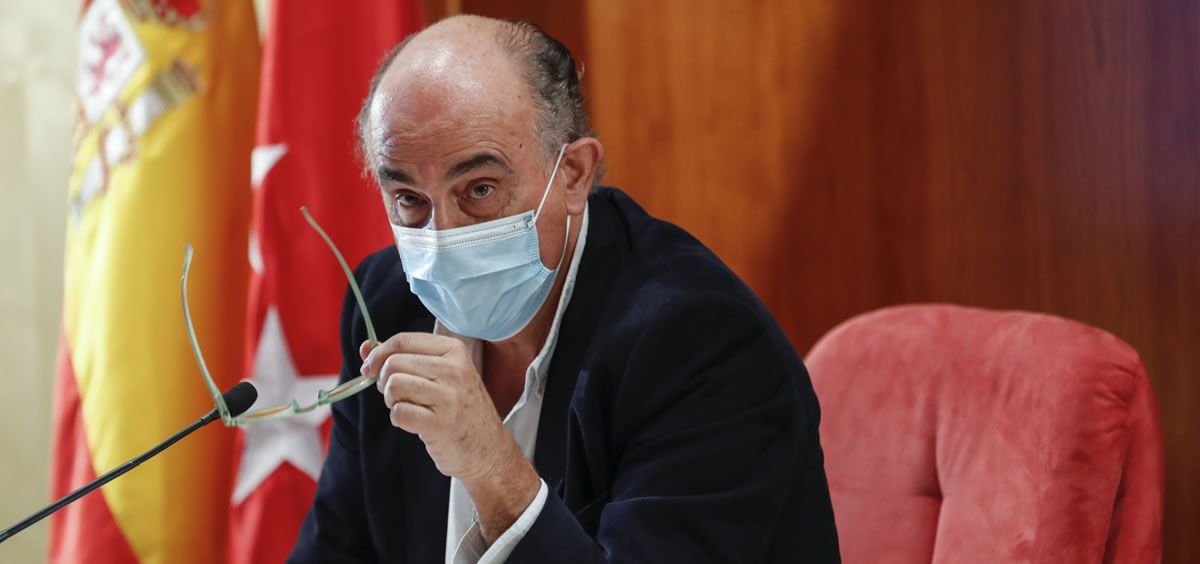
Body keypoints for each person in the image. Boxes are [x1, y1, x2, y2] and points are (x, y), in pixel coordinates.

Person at [290, 15, 839, 563]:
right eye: (409, 199)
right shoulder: (385, 302)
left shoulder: (700, 341)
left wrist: (491, 468)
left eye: (479, 189)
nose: (441, 240)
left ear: (574, 174)